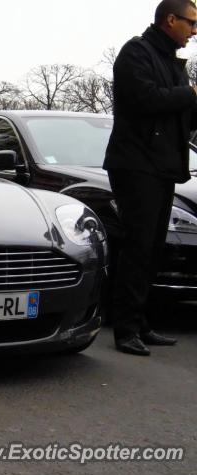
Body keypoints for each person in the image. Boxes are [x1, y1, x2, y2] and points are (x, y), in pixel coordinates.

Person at [104, 0, 197, 355]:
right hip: (135, 164)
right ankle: (125, 329)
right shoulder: (135, 52)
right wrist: (188, 94)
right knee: (138, 246)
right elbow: (144, 99)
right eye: (190, 22)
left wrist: (192, 102)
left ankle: (141, 323)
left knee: (153, 248)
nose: (194, 30)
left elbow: (181, 117)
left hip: (162, 165)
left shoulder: (173, 64)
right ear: (169, 20)